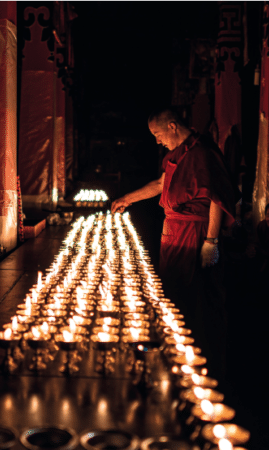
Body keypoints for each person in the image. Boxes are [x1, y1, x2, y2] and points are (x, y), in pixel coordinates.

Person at [111, 108, 237, 378]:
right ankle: (178, 354)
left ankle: (205, 364)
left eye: (157, 134)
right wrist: (127, 199)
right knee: (175, 293)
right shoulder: (176, 155)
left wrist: (211, 241)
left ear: (171, 126)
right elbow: (160, 183)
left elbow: (217, 197)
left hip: (196, 232)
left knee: (199, 297)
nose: (157, 141)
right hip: (174, 232)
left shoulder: (202, 152)